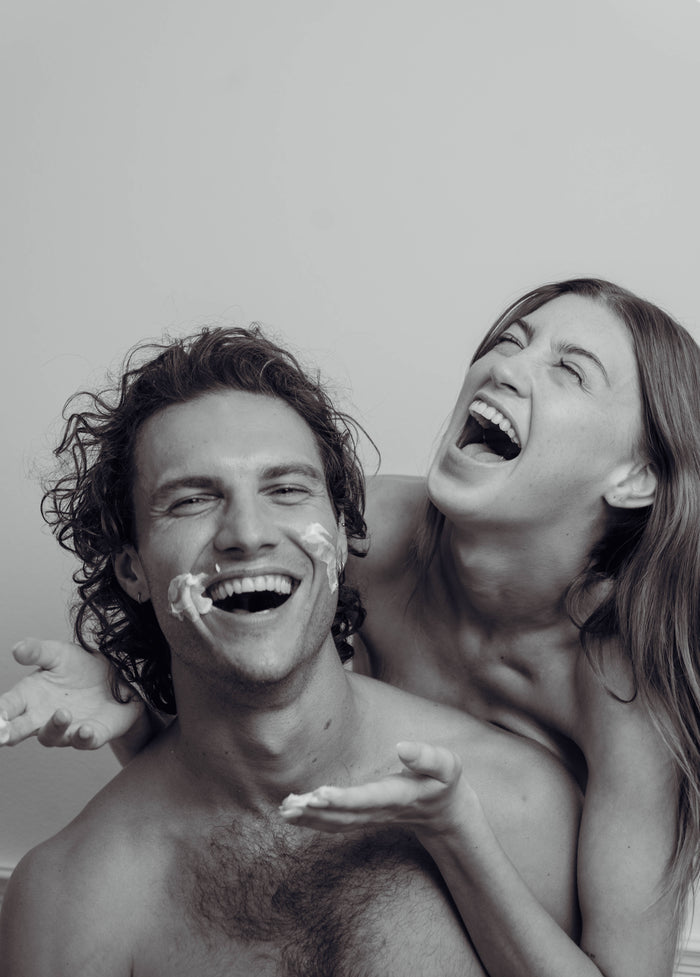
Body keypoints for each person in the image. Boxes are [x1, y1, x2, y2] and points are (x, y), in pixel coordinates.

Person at [2, 277, 698, 976]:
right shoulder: (370, 532)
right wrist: (130, 686)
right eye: (509, 341)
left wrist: (460, 832)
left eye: (570, 369)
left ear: (637, 476)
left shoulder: (625, 688)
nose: (506, 366)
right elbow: (251, 697)